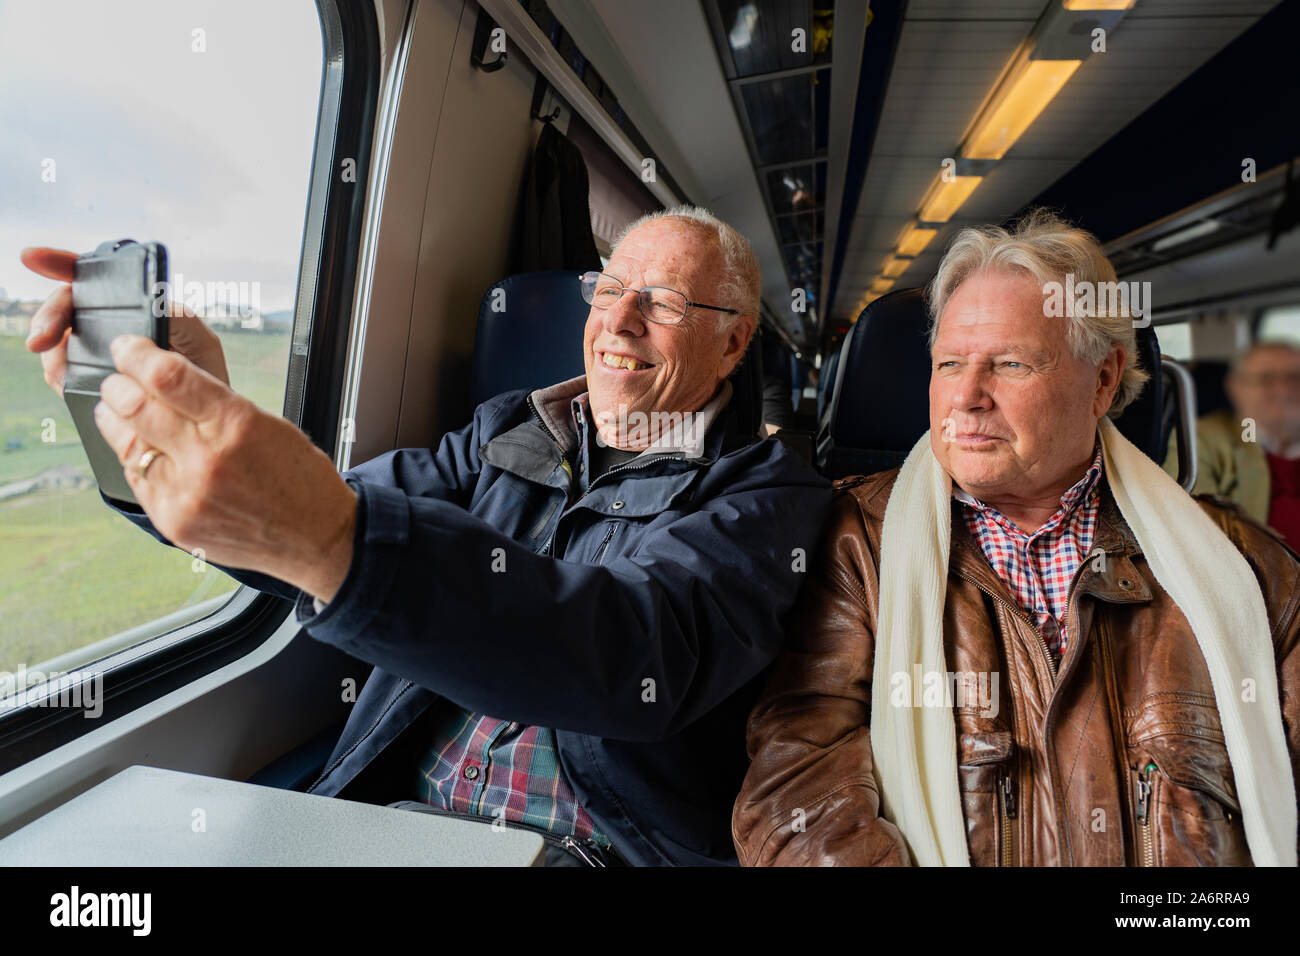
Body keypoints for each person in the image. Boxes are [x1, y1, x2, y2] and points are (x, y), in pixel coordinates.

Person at [23, 205, 831, 866]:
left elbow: (635, 651)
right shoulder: (505, 432)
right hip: (396, 821)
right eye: (609, 287)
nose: (619, 321)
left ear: (731, 341)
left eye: (663, 302)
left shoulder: (768, 494)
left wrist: (333, 535)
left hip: (596, 849)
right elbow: (314, 527)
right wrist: (166, 446)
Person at [733, 209, 1300, 867]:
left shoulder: (1246, 570)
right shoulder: (857, 546)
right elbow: (797, 790)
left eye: (1009, 364)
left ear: (1105, 379)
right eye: (949, 363)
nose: (967, 397)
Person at [1195, 341, 1300, 550]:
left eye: (1294, 378)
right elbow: (1199, 532)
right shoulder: (1203, 441)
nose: (1282, 389)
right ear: (1236, 387)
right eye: (1266, 379)